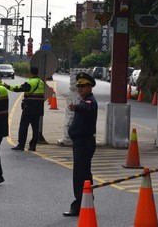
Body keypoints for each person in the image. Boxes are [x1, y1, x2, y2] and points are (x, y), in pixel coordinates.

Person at [63, 72, 98, 217]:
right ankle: (86, 200)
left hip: (84, 143)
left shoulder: (89, 101)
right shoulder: (84, 100)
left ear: (90, 87)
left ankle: (78, 205)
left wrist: (76, 108)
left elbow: (87, 108)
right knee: (85, 174)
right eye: (78, 86)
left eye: (83, 86)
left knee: (80, 175)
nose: (80, 88)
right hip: (81, 143)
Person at [4, 66, 45, 151]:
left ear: (30, 73)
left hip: (29, 107)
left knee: (23, 126)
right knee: (35, 127)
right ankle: (33, 146)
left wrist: (8, 87)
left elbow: (19, 88)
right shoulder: (41, 82)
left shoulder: (31, 82)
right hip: (38, 107)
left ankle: (21, 145)